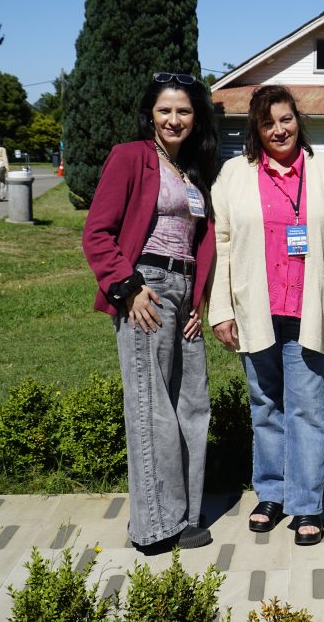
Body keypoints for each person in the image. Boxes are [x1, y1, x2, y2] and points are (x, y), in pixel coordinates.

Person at [208, 84, 324, 546]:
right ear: (256, 128)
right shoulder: (234, 174)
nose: (279, 129)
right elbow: (222, 244)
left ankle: (306, 504)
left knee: (308, 409)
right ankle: (271, 494)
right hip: (255, 307)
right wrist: (219, 309)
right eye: (268, 122)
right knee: (266, 405)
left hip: (308, 307)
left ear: (299, 120)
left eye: (286, 119)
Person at [82, 71, 218, 552]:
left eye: (183, 110)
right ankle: (155, 526)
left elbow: (201, 242)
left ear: (195, 117)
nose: (174, 118)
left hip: (183, 294)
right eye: (165, 110)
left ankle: (187, 514)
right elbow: (96, 232)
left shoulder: (193, 169)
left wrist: (199, 300)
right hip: (147, 288)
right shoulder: (131, 157)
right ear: (151, 114)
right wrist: (128, 288)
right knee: (151, 406)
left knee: (192, 405)